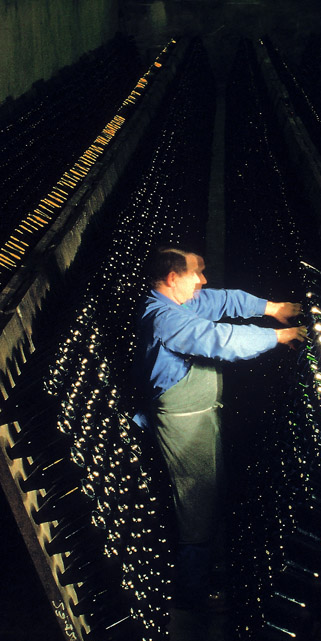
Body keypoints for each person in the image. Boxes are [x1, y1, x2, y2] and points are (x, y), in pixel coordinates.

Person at [134, 246, 304, 608]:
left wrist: (273, 309)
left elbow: (219, 301)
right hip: (181, 424)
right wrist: (280, 336)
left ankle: (208, 572)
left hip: (200, 416)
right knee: (195, 504)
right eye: (196, 274)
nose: (202, 280)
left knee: (209, 493)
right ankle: (192, 595)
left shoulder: (179, 303)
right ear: (172, 278)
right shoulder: (166, 319)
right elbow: (222, 341)